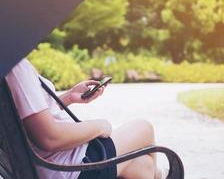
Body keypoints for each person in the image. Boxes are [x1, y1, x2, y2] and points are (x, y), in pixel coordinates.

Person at [6, 58, 166, 179]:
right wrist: (99, 126)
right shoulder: (15, 67)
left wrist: (69, 97)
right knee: (144, 128)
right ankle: (158, 176)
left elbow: (29, 117)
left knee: (143, 164)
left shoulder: (7, 63)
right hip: (70, 168)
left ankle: (155, 174)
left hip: (48, 166)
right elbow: (49, 138)